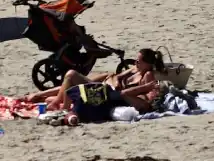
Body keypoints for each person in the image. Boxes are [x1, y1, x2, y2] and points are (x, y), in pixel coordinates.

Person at [29, 48, 165, 116]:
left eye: (138, 61)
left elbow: (145, 95)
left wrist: (118, 88)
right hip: (106, 81)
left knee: (70, 76)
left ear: (148, 64)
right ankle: (43, 97)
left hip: (103, 90)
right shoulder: (136, 69)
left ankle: (51, 101)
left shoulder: (147, 75)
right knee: (68, 85)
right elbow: (118, 76)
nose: (135, 62)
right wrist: (117, 81)